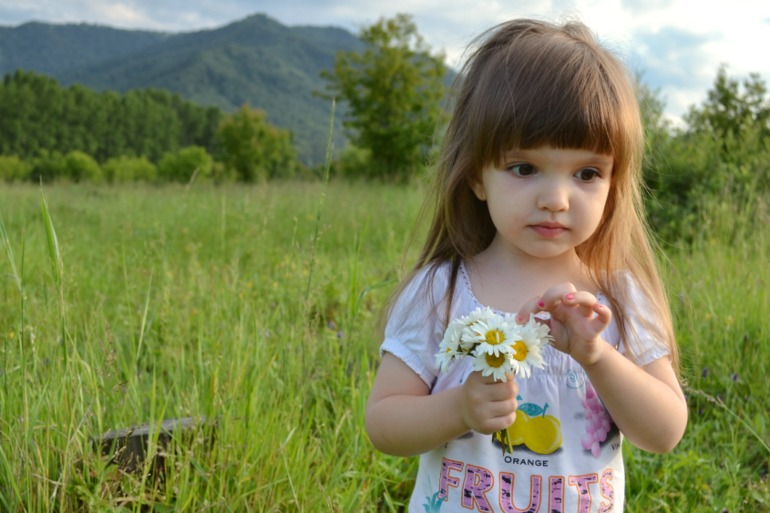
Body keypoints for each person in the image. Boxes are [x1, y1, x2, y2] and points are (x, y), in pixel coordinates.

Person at [365, 18, 688, 513]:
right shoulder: (443, 290)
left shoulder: (618, 299)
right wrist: (459, 407)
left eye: (586, 173)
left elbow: (664, 431)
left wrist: (597, 356)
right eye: (524, 168)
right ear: (477, 176)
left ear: (613, 183)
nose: (556, 199)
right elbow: (385, 423)